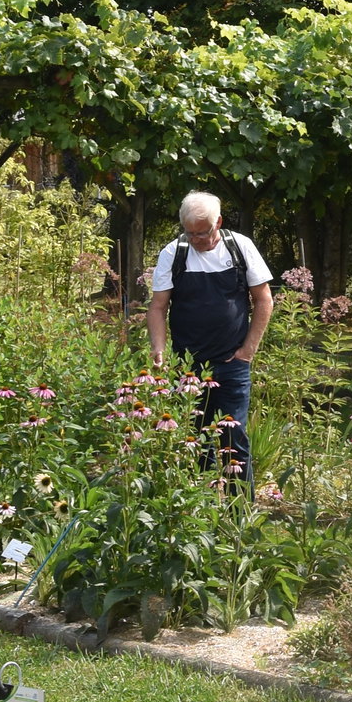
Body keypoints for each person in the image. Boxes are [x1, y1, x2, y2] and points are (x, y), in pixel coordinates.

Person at [144, 192, 275, 484]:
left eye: (202, 233)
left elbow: (264, 300)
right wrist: (159, 349)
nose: (197, 240)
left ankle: (239, 516)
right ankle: (200, 511)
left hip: (232, 362)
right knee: (194, 439)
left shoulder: (240, 247)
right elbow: (158, 307)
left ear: (219, 223)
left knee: (234, 438)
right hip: (188, 367)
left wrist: (247, 352)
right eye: (190, 233)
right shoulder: (173, 253)